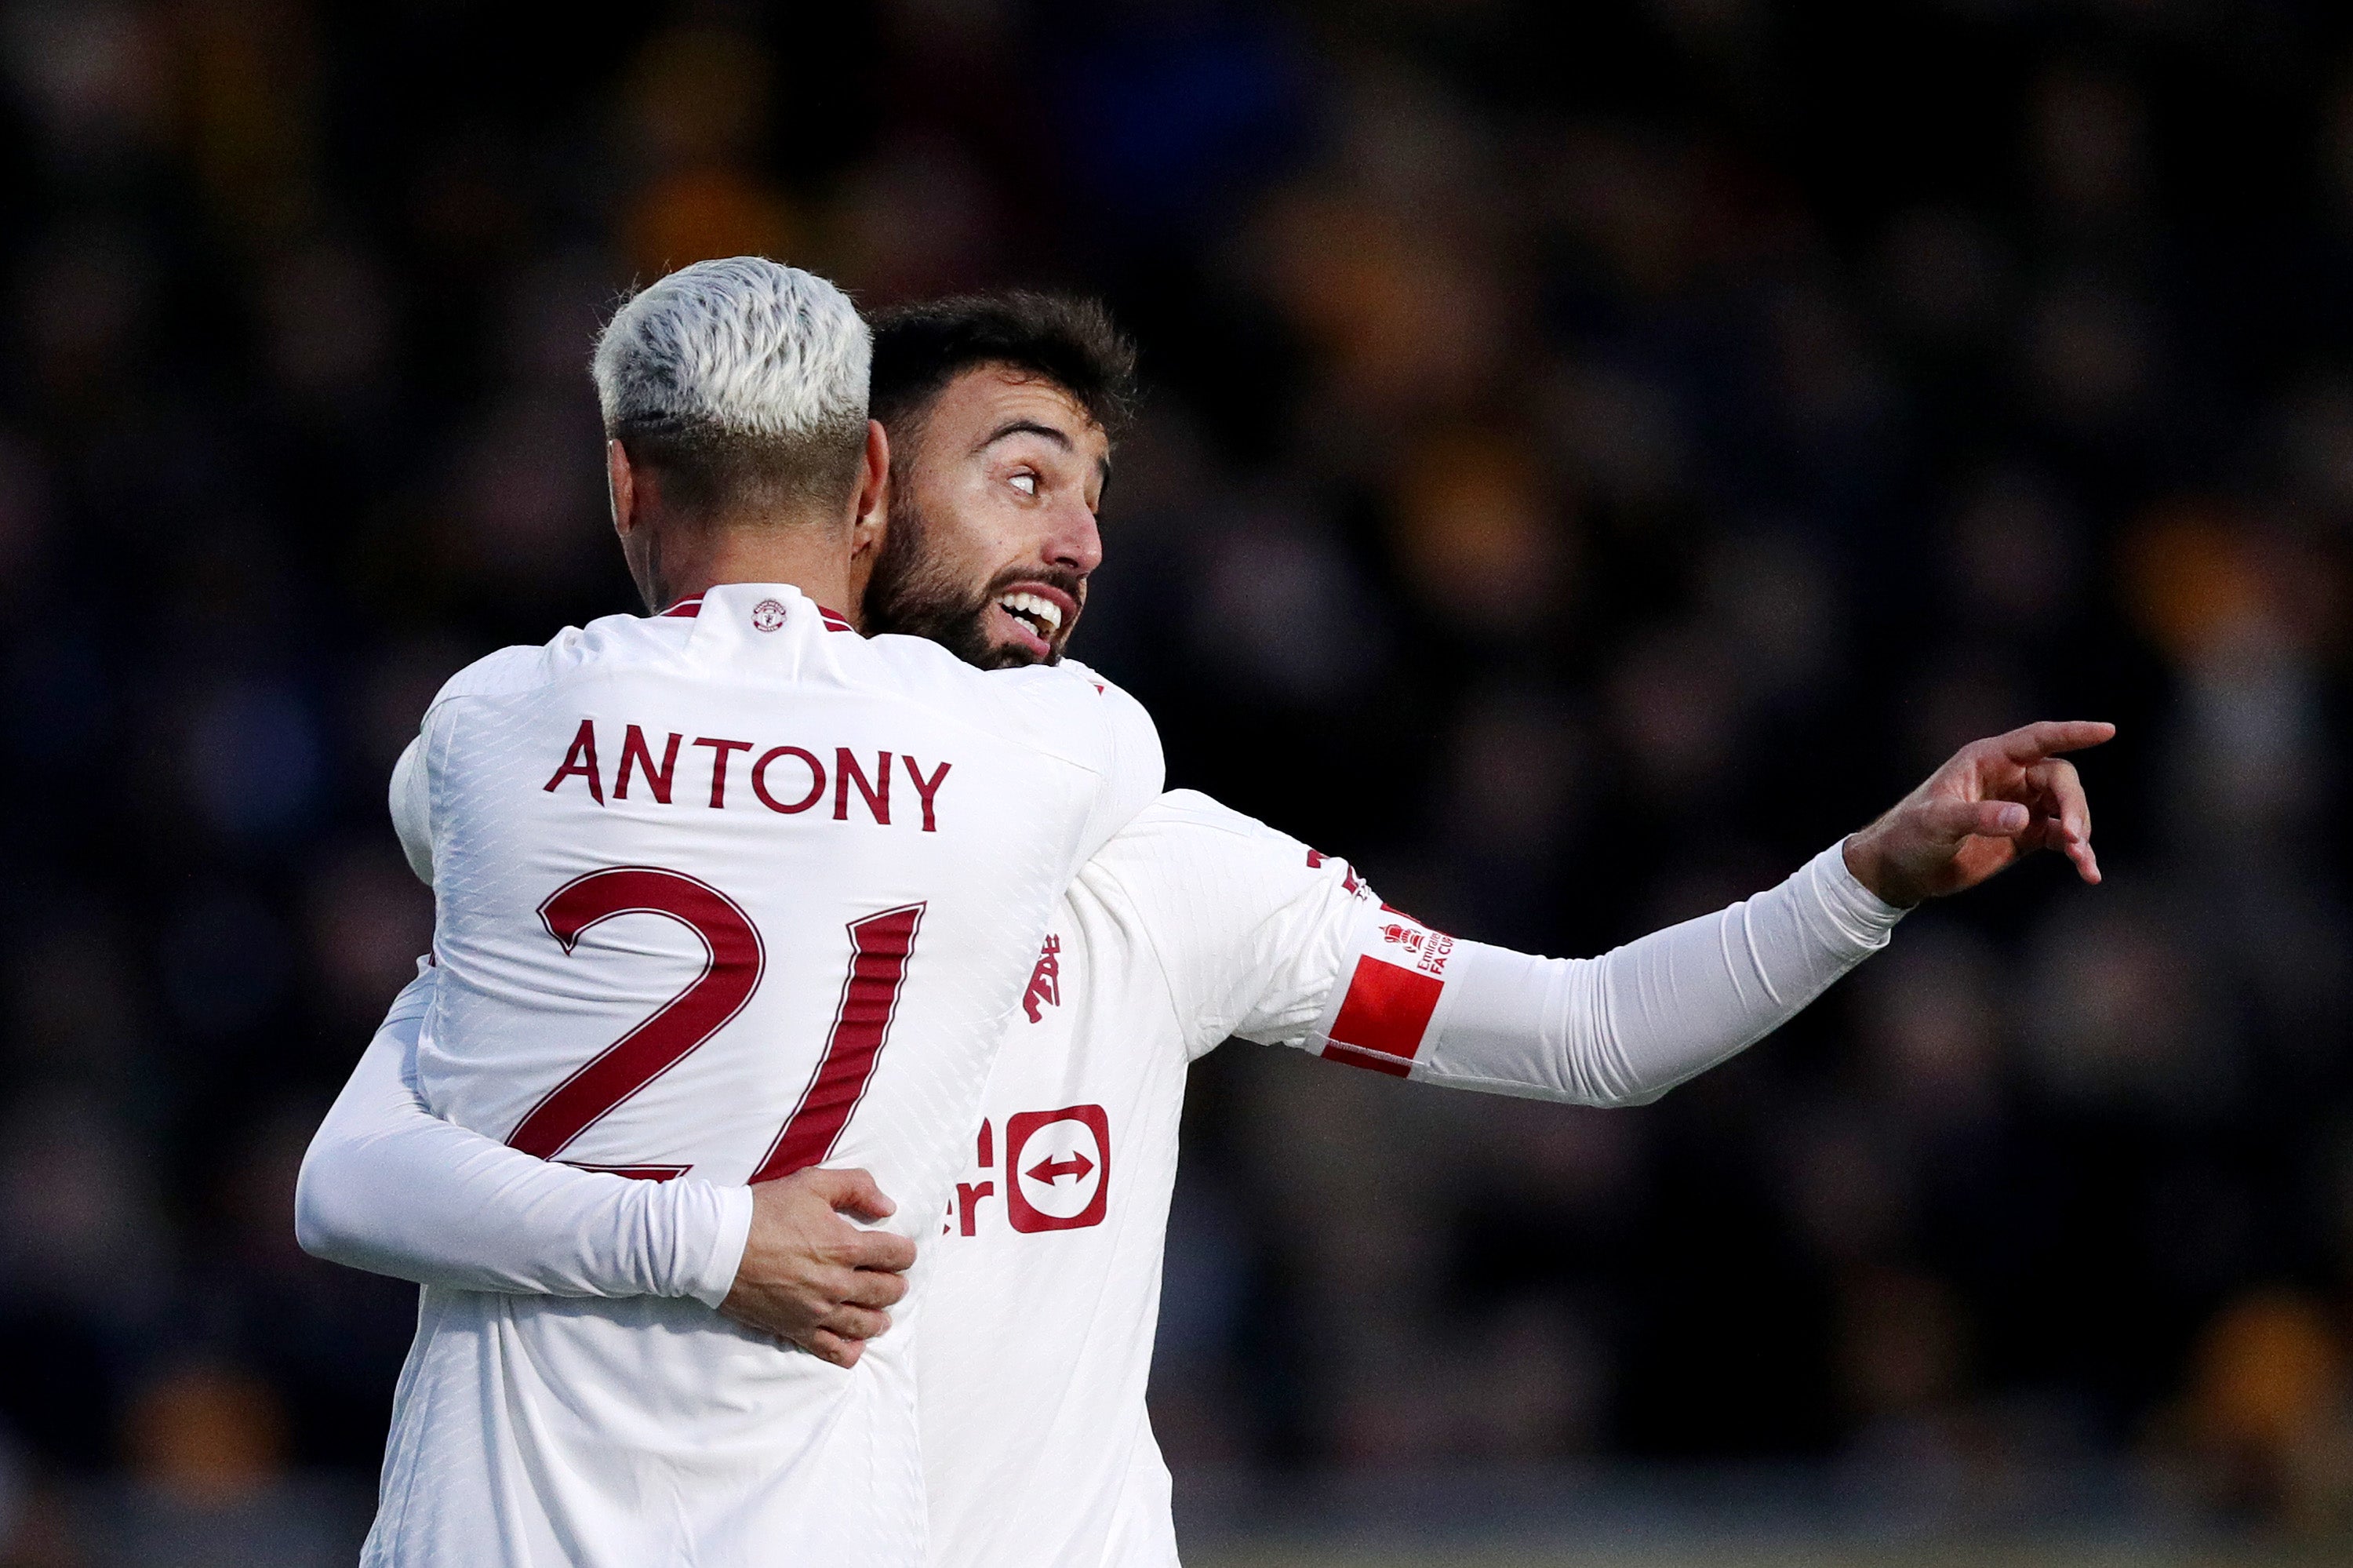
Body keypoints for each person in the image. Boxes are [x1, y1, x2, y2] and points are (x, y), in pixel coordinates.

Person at [300, 292, 2112, 1568]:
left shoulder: (1167, 870)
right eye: (1021, 474)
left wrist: (1859, 882)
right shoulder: (616, 847)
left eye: (1097, 492)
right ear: (861, 495)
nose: (1081, 533)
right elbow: (371, 1169)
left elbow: (1587, 1034)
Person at [348, 263, 1162, 1567]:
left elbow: (358, 1150)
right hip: (806, 1526)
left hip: (490, 1529)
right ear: (873, 483)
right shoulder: (1050, 748)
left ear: (624, 482)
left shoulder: (490, 725)